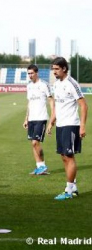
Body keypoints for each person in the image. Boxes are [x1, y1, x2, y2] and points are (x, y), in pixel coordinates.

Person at [46, 57, 88, 200]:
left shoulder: (72, 83)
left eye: (57, 69)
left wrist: (82, 126)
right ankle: (73, 187)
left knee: (69, 157)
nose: (54, 72)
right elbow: (58, 105)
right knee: (64, 157)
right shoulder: (56, 84)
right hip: (61, 125)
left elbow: (83, 105)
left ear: (64, 68)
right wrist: (52, 121)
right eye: (53, 69)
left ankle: (68, 190)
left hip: (71, 124)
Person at [23, 64, 54, 175]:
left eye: (31, 73)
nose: (30, 75)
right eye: (28, 73)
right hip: (31, 119)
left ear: (37, 73)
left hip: (41, 118)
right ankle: (39, 166)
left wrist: (52, 118)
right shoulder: (29, 86)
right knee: (33, 143)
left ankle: (43, 166)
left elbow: (51, 101)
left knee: (36, 142)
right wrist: (26, 118)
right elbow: (29, 103)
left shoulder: (44, 85)